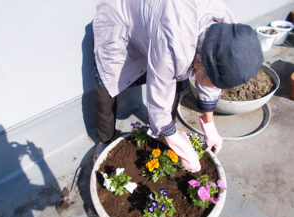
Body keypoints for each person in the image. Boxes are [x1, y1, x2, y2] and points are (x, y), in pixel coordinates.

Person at [92, 0, 263, 172]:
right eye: (214, 81)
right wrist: (177, 143)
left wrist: (209, 123)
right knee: (108, 78)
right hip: (121, 16)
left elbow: (212, 71)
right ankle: (106, 139)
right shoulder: (173, 42)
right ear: (201, 61)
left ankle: (167, 131)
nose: (214, 86)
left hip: (157, 21)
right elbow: (159, 91)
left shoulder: (227, 30)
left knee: (175, 76)